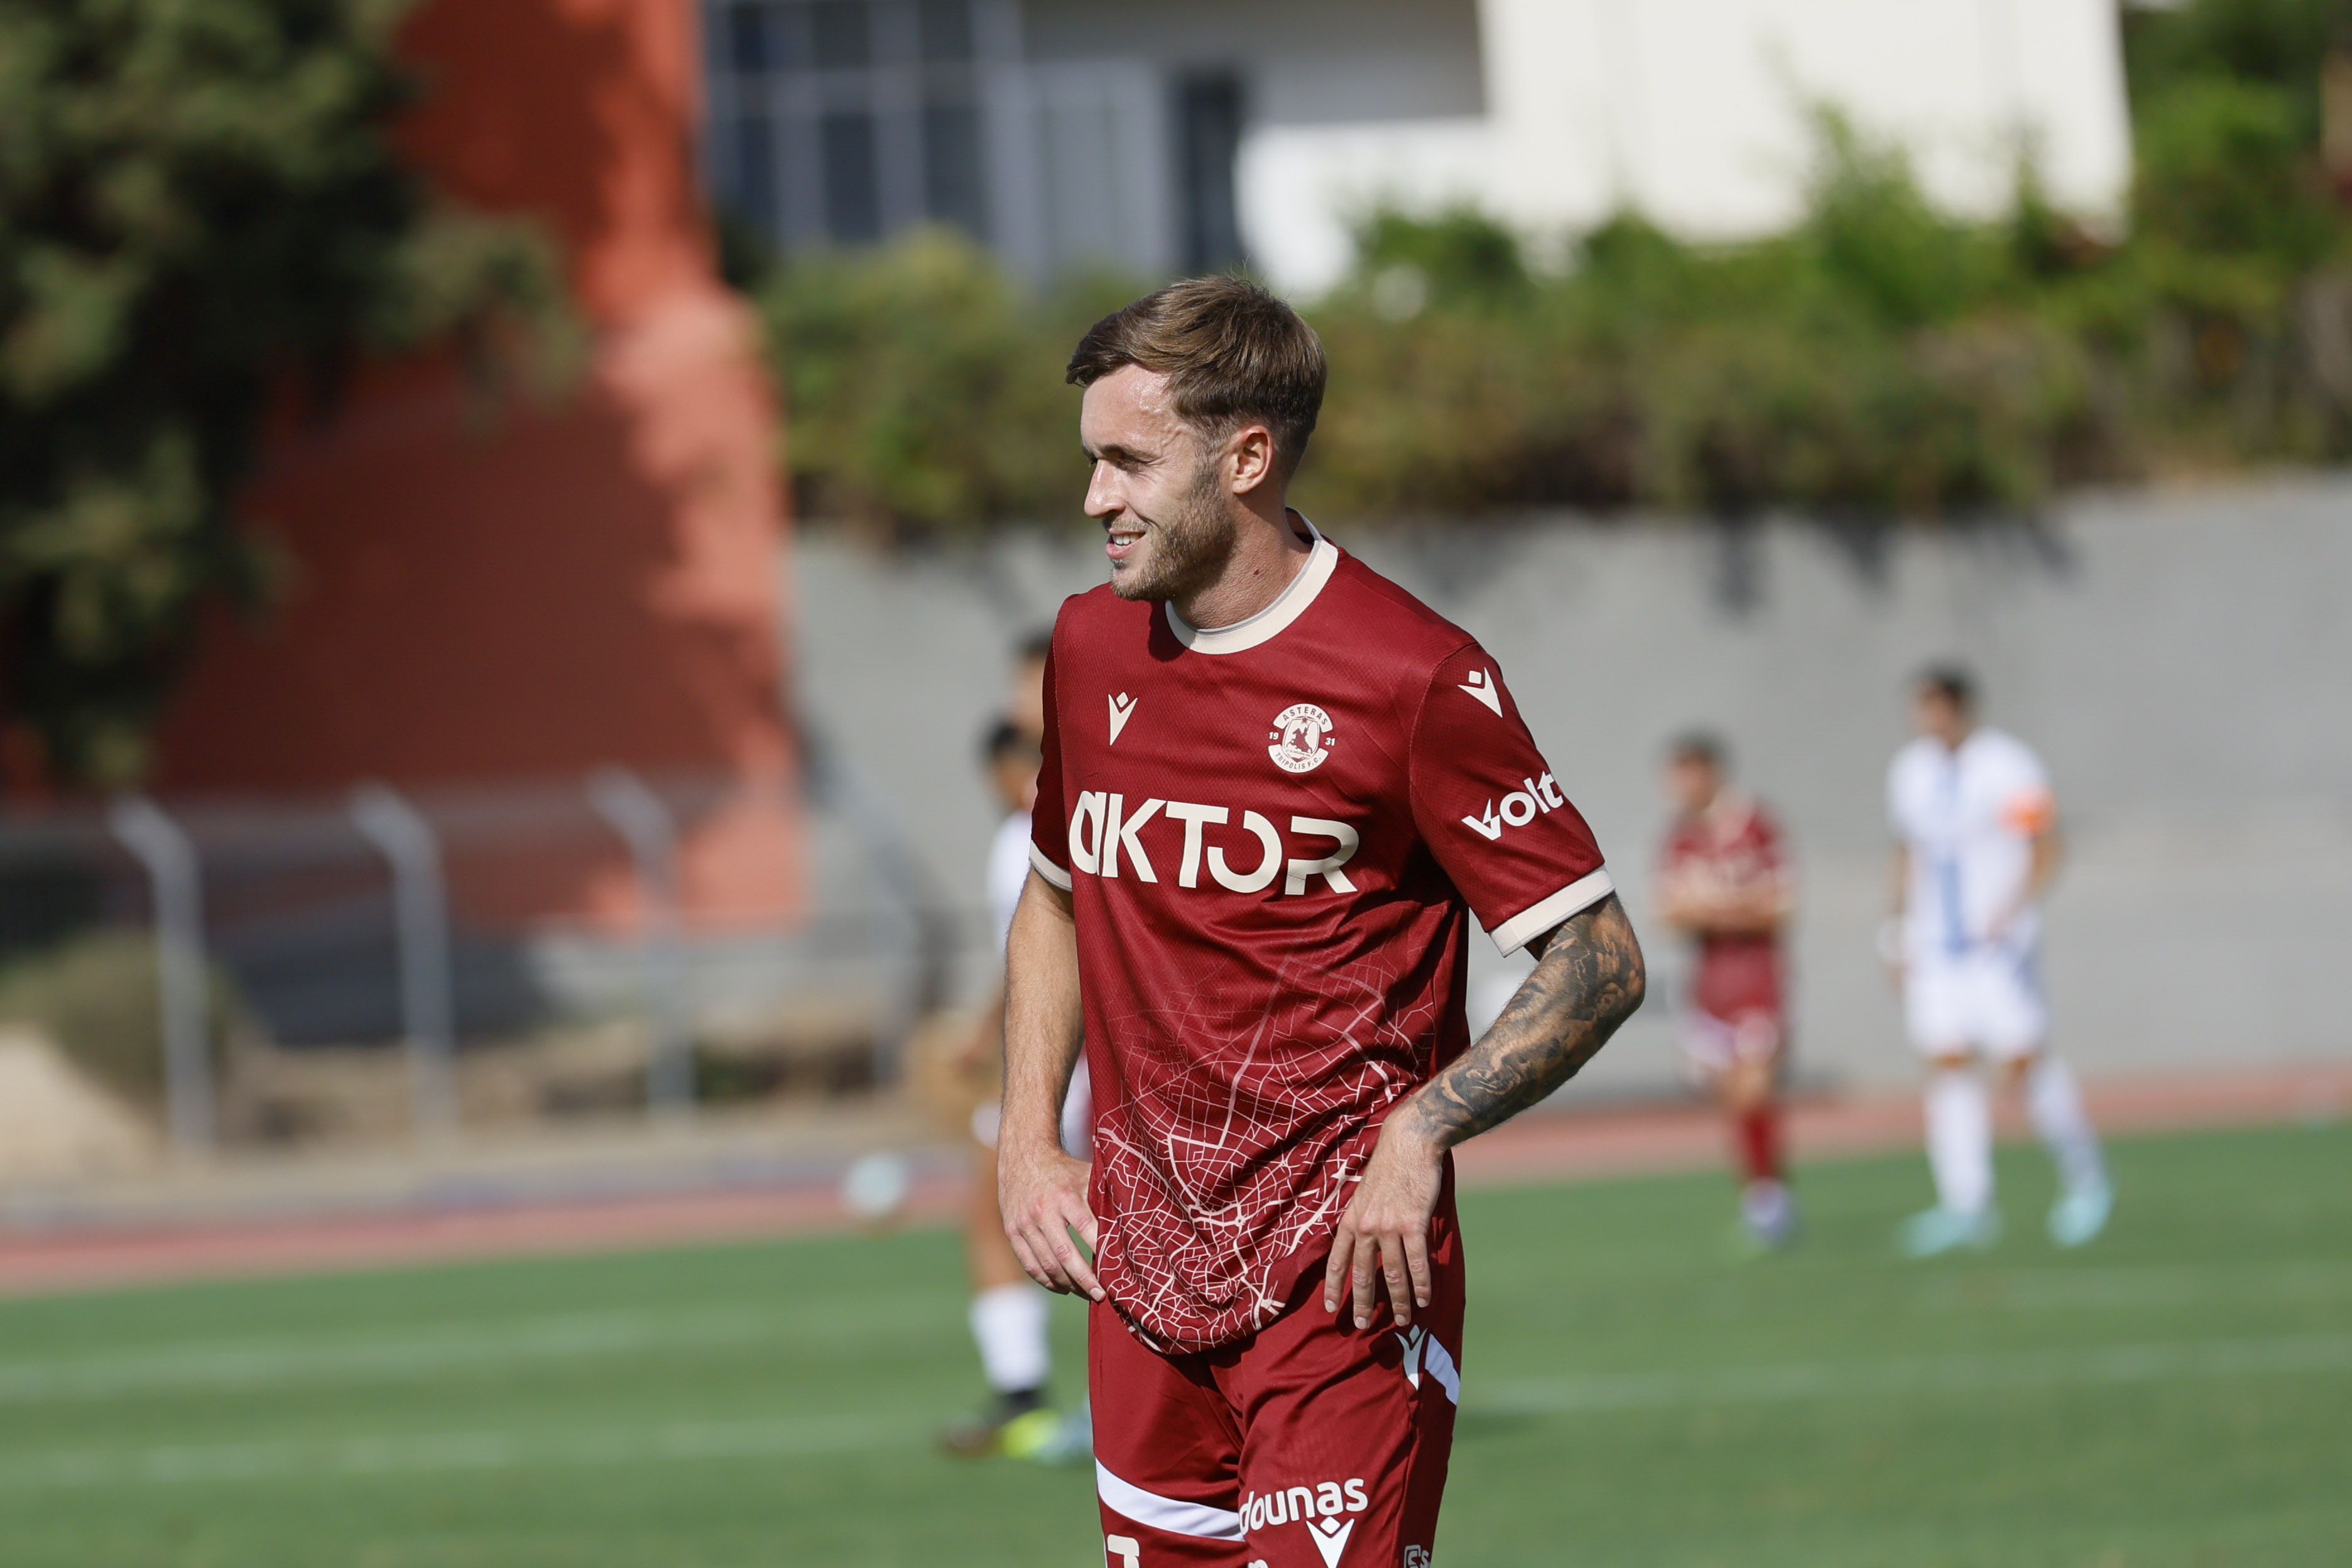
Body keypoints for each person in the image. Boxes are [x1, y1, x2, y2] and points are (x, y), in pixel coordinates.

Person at [996, 277, 1645, 1568]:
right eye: (1090, 461)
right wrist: (1026, 1138)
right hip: (1139, 1276)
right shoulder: (1088, 647)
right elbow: (1055, 894)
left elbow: (1599, 958)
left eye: (1129, 462)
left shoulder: (1412, 674)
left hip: (1341, 1277)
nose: (1095, 499)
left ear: (1245, 458)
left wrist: (1421, 1130)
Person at [1885, 666, 2111, 1256]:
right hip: (1937, 947)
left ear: (1957, 706)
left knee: (2023, 1061)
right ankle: (1967, 1202)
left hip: (1994, 946)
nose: (1923, 719)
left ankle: (2086, 1178)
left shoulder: (2006, 765)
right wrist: (1896, 932)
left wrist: (2014, 912)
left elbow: (2046, 846)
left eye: (1932, 705)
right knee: (1948, 1064)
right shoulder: (1911, 771)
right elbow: (1906, 853)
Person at [941, 651, 1094, 1461]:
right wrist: (982, 1026)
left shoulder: (1036, 828)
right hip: (1107, 1045)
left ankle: (1027, 1397)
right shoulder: (1095, 801)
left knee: (995, 1206)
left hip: (1069, 1053)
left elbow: (1053, 951)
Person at [1655, 732, 1797, 1251]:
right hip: (1710, 986)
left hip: (1758, 982)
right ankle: (1763, 1193)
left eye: (1688, 771)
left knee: (1753, 1090)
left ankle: (1769, 1204)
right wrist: (1732, 908)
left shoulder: (1755, 825)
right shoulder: (1680, 837)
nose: (1680, 784)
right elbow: (1670, 912)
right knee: (1731, 1100)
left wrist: (1715, 910)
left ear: (1712, 771)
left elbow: (1781, 904)